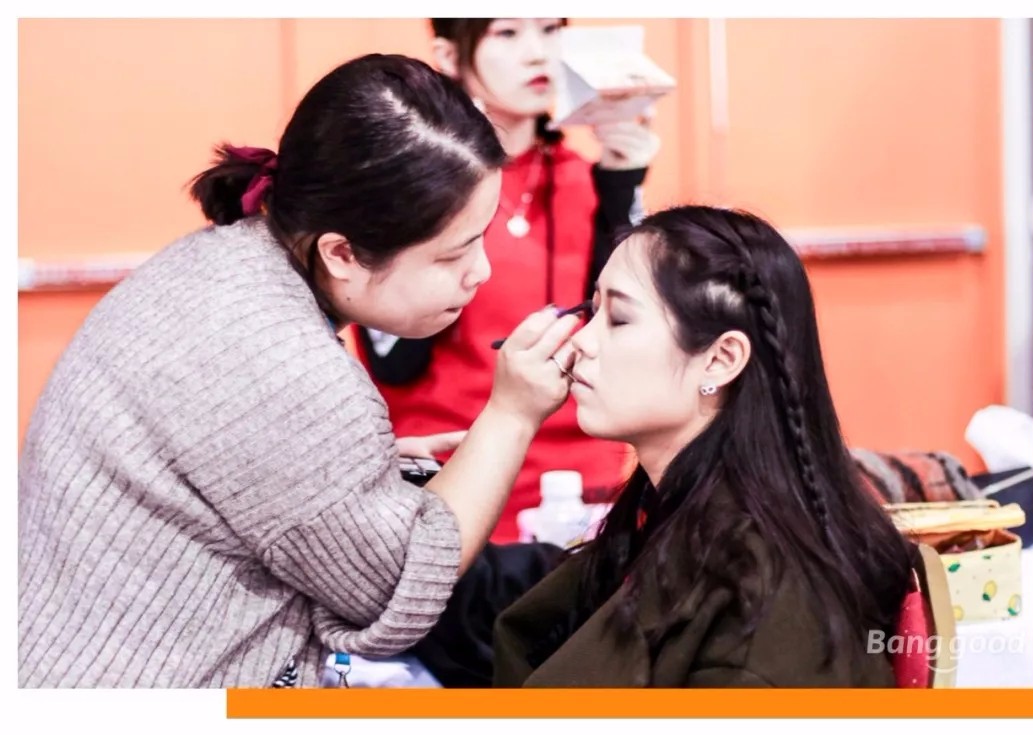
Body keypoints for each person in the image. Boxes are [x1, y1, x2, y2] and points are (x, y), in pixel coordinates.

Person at [18, 53, 582, 688]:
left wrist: (353, 468)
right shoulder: (285, 365)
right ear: (340, 253)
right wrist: (511, 414)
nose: (480, 272)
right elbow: (392, 590)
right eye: (453, 254)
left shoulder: (218, 264)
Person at [491, 206, 921, 687]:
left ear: (720, 360)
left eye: (619, 319)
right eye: (593, 312)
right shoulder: (665, 519)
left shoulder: (759, 602)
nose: (582, 342)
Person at [353, 18, 661, 542]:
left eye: (550, 29)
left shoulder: (590, 179)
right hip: (450, 489)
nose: (538, 53)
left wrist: (621, 184)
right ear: (449, 56)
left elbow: (623, 338)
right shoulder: (411, 183)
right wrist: (430, 181)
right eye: (508, 33)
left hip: (584, 498)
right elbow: (396, 364)